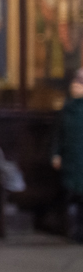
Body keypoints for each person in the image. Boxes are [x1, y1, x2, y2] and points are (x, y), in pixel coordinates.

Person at [53, 69, 83, 242]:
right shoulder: (66, 109)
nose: (75, 87)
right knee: (71, 194)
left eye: (79, 84)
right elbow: (58, 134)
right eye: (74, 84)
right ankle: (72, 229)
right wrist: (56, 154)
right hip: (71, 159)